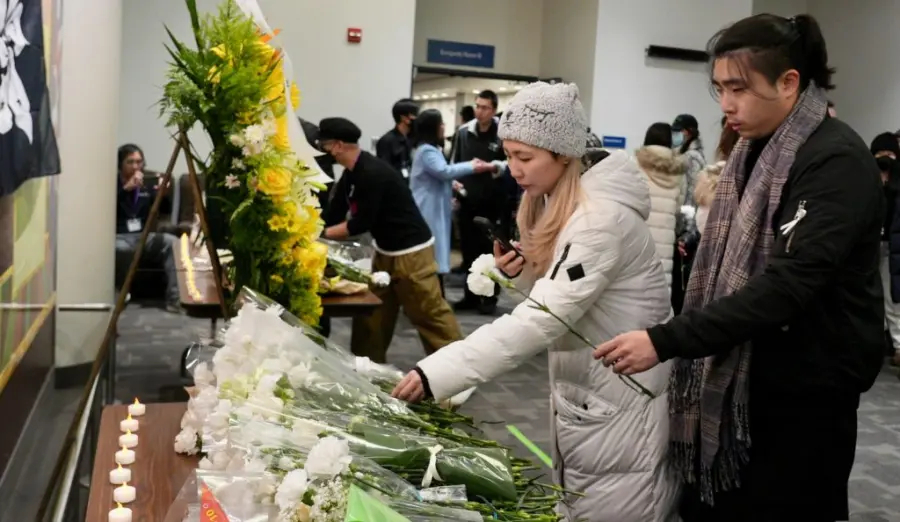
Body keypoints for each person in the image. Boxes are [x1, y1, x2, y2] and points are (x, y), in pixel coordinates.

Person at [593, 14, 884, 522]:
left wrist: (666, 340)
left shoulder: (835, 160)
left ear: (788, 82)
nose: (726, 104)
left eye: (739, 88)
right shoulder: (753, 151)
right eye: (720, 88)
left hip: (804, 396)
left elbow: (787, 285)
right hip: (747, 380)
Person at [393, 82, 679, 522]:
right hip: (593, 392)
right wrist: (522, 273)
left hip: (619, 395)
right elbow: (561, 296)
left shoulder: (599, 220)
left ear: (563, 154)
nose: (514, 170)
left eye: (525, 157)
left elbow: (539, 321)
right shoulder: (565, 203)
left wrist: (437, 373)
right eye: (509, 155)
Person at [319, 117, 462, 363]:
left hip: (412, 253)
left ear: (338, 146)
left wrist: (320, 235)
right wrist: (316, 226)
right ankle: (366, 368)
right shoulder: (351, 174)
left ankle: (457, 367)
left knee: (428, 314)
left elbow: (360, 223)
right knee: (372, 315)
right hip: (384, 251)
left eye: (325, 145)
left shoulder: (372, 173)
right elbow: (335, 213)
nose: (323, 150)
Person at [409, 109, 493, 295]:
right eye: (440, 123)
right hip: (428, 210)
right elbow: (444, 171)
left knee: (435, 253)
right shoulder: (427, 151)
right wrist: (471, 165)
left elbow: (439, 174)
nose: (443, 127)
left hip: (434, 208)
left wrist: (452, 183)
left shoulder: (429, 149)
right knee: (432, 253)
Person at [448, 89, 507, 314]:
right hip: (467, 201)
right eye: (478, 106)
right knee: (469, 251)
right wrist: (454, 185)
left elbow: (512, 163)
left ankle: (489, 298)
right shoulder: (464, 132)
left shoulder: (503, 132)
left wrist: (493, 166)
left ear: (494, 110)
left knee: (491, 252)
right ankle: (470, 296)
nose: (480, 111)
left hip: (493, 202)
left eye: (485, 108)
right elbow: (454, 163)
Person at [114, 144, 180, 313]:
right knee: (121, 249)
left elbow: (165, 211)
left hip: (143, 236)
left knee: (172, 242)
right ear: (121, 164)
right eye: (130, 162)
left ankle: (175, 299)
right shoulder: (112, 184)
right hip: (119, 236)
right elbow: (106, 210)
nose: (136, 166)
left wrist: (163, 195)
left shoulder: (147, 183)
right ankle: (119, 296)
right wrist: (125, 190)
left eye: (139, 162)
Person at [635, 122, 685, 290]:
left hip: (638, 235)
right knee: (660, 287)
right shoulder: (679, 171)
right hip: (665, 239)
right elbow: (678, 208)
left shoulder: (635, 164)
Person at [671, 113, 706, 314]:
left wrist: (687, 232)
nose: (677, 134)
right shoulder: (684, 154)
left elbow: (692, 197)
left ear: (690, 132)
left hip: (686, 228)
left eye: (680, 131)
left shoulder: (692, 158)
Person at [874, 132, 900, 369]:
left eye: (889, 154)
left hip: (893, 248)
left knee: (893, 299)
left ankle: (898, 345)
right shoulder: (867, 177)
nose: (885, 159)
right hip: (871, 246)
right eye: (880, 154)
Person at [375, 99, 419, 180]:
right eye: (415, 115)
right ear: (404, 118)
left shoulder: (415, 139)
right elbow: (384, 172)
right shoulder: (386, 141)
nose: (417, 119)